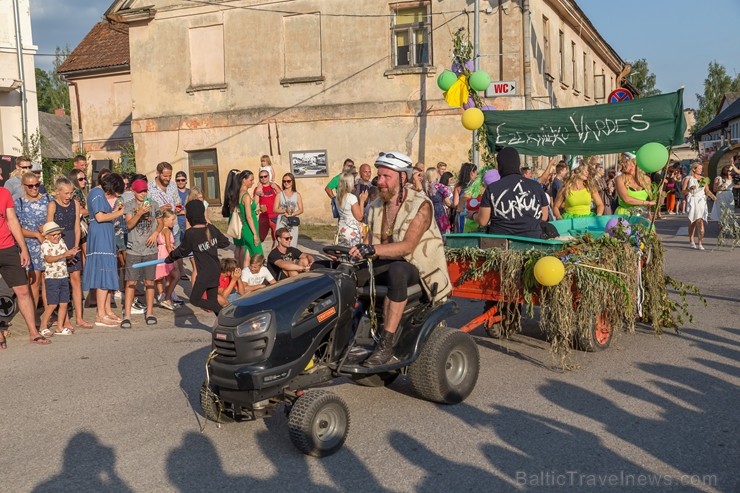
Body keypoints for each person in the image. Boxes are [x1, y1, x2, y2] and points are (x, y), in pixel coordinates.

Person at [349, 151, 451, 366]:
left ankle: (386, 344)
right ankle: (345, 336)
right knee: (343, 274)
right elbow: (368, 241)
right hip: (384, 261)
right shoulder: (375, 206)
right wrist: (355, 251)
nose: (381, 182)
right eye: (380, 176)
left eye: (387, 177)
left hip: (417, 267)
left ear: (403, 178)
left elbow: (407, 247)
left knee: (398, 271)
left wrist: (371, 249)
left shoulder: (421, 205)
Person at [0, 185, 52, 347]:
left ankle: (33, 332)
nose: (1, 178)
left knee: (23, 290)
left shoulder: (4, 193)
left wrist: (23, 248)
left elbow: (13, 221)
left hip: (7, 247)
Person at [165, 200, 231, 315]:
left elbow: (182, 251)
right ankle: (223, 323)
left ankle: (226, 313)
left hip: (204, 273)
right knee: (212, 300)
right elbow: (225, 242)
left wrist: (170, 258)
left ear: (190, 216)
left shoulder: (191, 233)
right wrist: (212, 244)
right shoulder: (211, 228)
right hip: (215, 269)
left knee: (195, 299)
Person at [474, 147, 550, 238]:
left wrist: (473, 215)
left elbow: (483, 221)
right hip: (533, 241)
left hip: (501, 243)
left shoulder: (492, 189)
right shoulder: (536, 186)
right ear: (518, 164)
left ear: (500, 165)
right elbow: (544, 217)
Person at [82, 173, 126, 327]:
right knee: (103, 273)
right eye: (115, 191)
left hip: (105, 236)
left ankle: (107, 310)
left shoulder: (98, 193)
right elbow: (100, 217)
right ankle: (100, 314)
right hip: (100, 236)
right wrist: (119, 213)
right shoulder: (97, 193)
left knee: (107, 272)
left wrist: (115, 211)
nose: (114, 194)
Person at [47, 176, 91, 328]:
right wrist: (63, 251)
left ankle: (79, 318)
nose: (68, 196)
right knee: (63, 282)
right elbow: (49, 228)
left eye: (71, 193)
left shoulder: (75, 203)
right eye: (65, 193)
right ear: (58, 192)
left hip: (73, 242)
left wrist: (75, 246)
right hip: (59, 243)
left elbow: (77, 227)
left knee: (76, 280)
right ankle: (64, 319)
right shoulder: (52, 205)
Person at [121, 179, 163, 328]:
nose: (143, 193)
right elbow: (129, 225)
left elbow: (161, 221)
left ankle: (150, 312)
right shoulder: (129, 205)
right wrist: (139, 213)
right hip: (134, 249)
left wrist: (156, 233)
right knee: (131, 282)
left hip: (150, 249)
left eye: (145, 190)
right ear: (133, 191)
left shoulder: (154, 204)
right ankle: (127, 315)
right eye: (140, 191)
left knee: (149, 281)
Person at [15, 171, 54, 312]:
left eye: (37, 185)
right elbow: (16, 228)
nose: (34, 188)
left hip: (48, 244)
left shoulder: (48, 199)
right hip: (29, 246)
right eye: (30, 186)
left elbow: (55, 221)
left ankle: (48, 317)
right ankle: (34, 317)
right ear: (23, 186)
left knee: (48, 281)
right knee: (34, 282)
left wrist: (47, 226)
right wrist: (36, 234)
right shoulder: (18, 203)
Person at [39, 221, 79, 336]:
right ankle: (43, 326)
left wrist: (71, 254)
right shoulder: (45, 244)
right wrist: (63, 255)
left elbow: (66, 256)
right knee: (52, 304)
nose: (57, 236)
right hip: (52, 278)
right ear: (46, 236)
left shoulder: (62, 242)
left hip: (63, 276)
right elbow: (48, 259)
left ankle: (60, 327)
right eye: (53, 235)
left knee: (64, 303)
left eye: (58, 234)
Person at [231, 170, 262, 267]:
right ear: (244, 180)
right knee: (258, 256)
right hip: (250, 228)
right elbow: (248, 216)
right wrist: (255, 234)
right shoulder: (246, 196)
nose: (252, 182)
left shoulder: (240, 193)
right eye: (251, 180)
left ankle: (244, 278)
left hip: (247, 227)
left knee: (248, 256)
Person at [683, 162, 716, 250]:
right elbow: (683, 192)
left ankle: (700, 243)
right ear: (694, 169)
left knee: (700, 221)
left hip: (701, 201)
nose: (701, 170)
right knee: (692, 222)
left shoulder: (704, 179)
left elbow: (707, 191)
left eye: (701, 169)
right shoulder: (688, 178)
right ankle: (691, 240)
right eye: (699, 168)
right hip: (692, 200)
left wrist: (714, 197)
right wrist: (689, 189)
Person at [155, 209, 180, 311]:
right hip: (166, 255)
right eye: (172, 220)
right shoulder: (167, 231)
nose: (173, 222)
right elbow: (169, 246)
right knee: (175, 276)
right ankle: (167, 297)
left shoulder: (159, 229)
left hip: (159, 254)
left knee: (160, 277)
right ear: (165, 220)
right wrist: (174, 259)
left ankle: (162, 294)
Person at [335, 172, 367, 247]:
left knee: (343, 254)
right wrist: (362, 201)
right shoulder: (351, 198)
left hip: (342, 228)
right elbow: (359, 217)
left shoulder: (337, 197)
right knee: (353, 254)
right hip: (351, 230)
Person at [273, 173, 303, 248]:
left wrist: (293, 214)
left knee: (292, 242)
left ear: (292, 182)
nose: (286, 183)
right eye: (284, 181)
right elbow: (275, 209)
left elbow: (301, 209)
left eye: (288, 181)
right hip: (282, 222)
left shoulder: (297, 195)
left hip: (292, 222)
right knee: (280, 242)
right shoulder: (279, 194)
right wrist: (284, 211)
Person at [253, 168, 281, 246]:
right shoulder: (257, 188)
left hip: (275, 216)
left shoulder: (274, 186)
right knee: (259, 238)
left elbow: (283, 198)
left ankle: (273, 257)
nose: (263, 178)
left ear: (269, 176)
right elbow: (255, 203)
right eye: (261, 177)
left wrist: (276, 188)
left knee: (277, 239)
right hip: (264, 216)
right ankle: (257, 257)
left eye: (265, 176)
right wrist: (258, 191)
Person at [426, 168, 452, 234]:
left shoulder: (427, 186)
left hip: (431, 209)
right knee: (443, 229)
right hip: (440, 209)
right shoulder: (439, 186)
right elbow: (448, 201)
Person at [453, 163, 477, 233]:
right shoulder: (476, 186)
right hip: (472, 215)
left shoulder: (458, 186)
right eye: (475, 172)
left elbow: (455, 203)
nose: (476, 174)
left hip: (461, 215)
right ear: (472, 173)